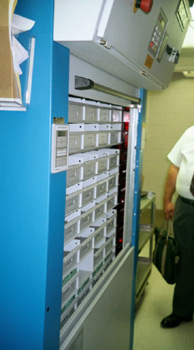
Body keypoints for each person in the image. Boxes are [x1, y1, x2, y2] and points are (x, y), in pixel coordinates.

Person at [161, 125, 194, 328]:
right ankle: (182, 311)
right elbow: (174, 167)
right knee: (186, 261)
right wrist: (167, 200)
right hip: (187, 208)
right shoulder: (191, 132)